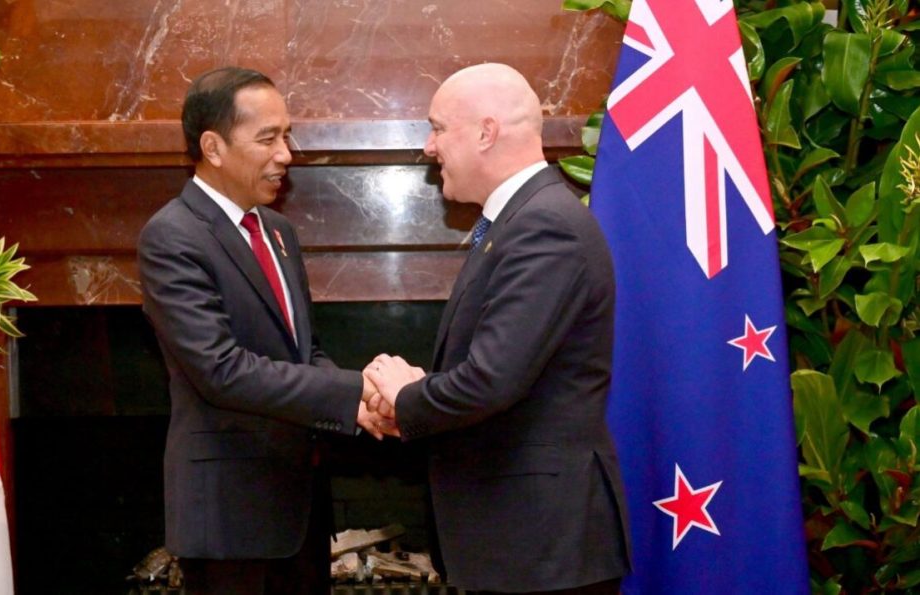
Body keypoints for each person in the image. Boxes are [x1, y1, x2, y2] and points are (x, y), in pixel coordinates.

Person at [365, 63, 631, 595]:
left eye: (438, 127)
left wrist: (408, 395)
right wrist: (415, 396)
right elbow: (501, 371)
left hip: (540, 548)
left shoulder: (544, 226)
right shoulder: (518, 222)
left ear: (486, 132)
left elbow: (490, 381)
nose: (427, 146)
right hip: (522, 543)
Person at [138, 66, 392, 595]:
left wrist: (359, 407)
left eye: (287, 134)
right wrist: (354, 388)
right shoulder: (172, 237)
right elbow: (220, 371)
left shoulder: (277, 232)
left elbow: (304, 350)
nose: (287, 154)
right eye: (268, 138)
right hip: (228, 519)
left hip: (297, 507)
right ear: (213, 147)